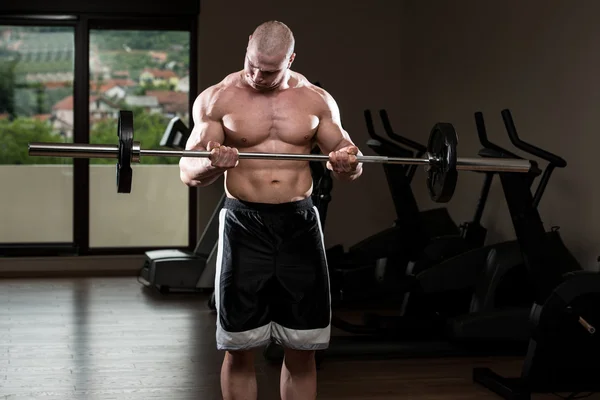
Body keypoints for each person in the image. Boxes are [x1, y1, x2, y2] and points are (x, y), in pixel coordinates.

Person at [180, 20, 363, 400]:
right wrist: (214, 164)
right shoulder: (217, 99)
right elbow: (188, 172)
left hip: (299, 224)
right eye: (252, 64)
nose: (258, 75)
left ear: (291, 59)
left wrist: (348, 163)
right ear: (247, 47)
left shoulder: (317, 100)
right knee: (239, 349)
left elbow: (347, 158)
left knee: (303, 349)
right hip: (244, 224)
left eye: (270, 70)